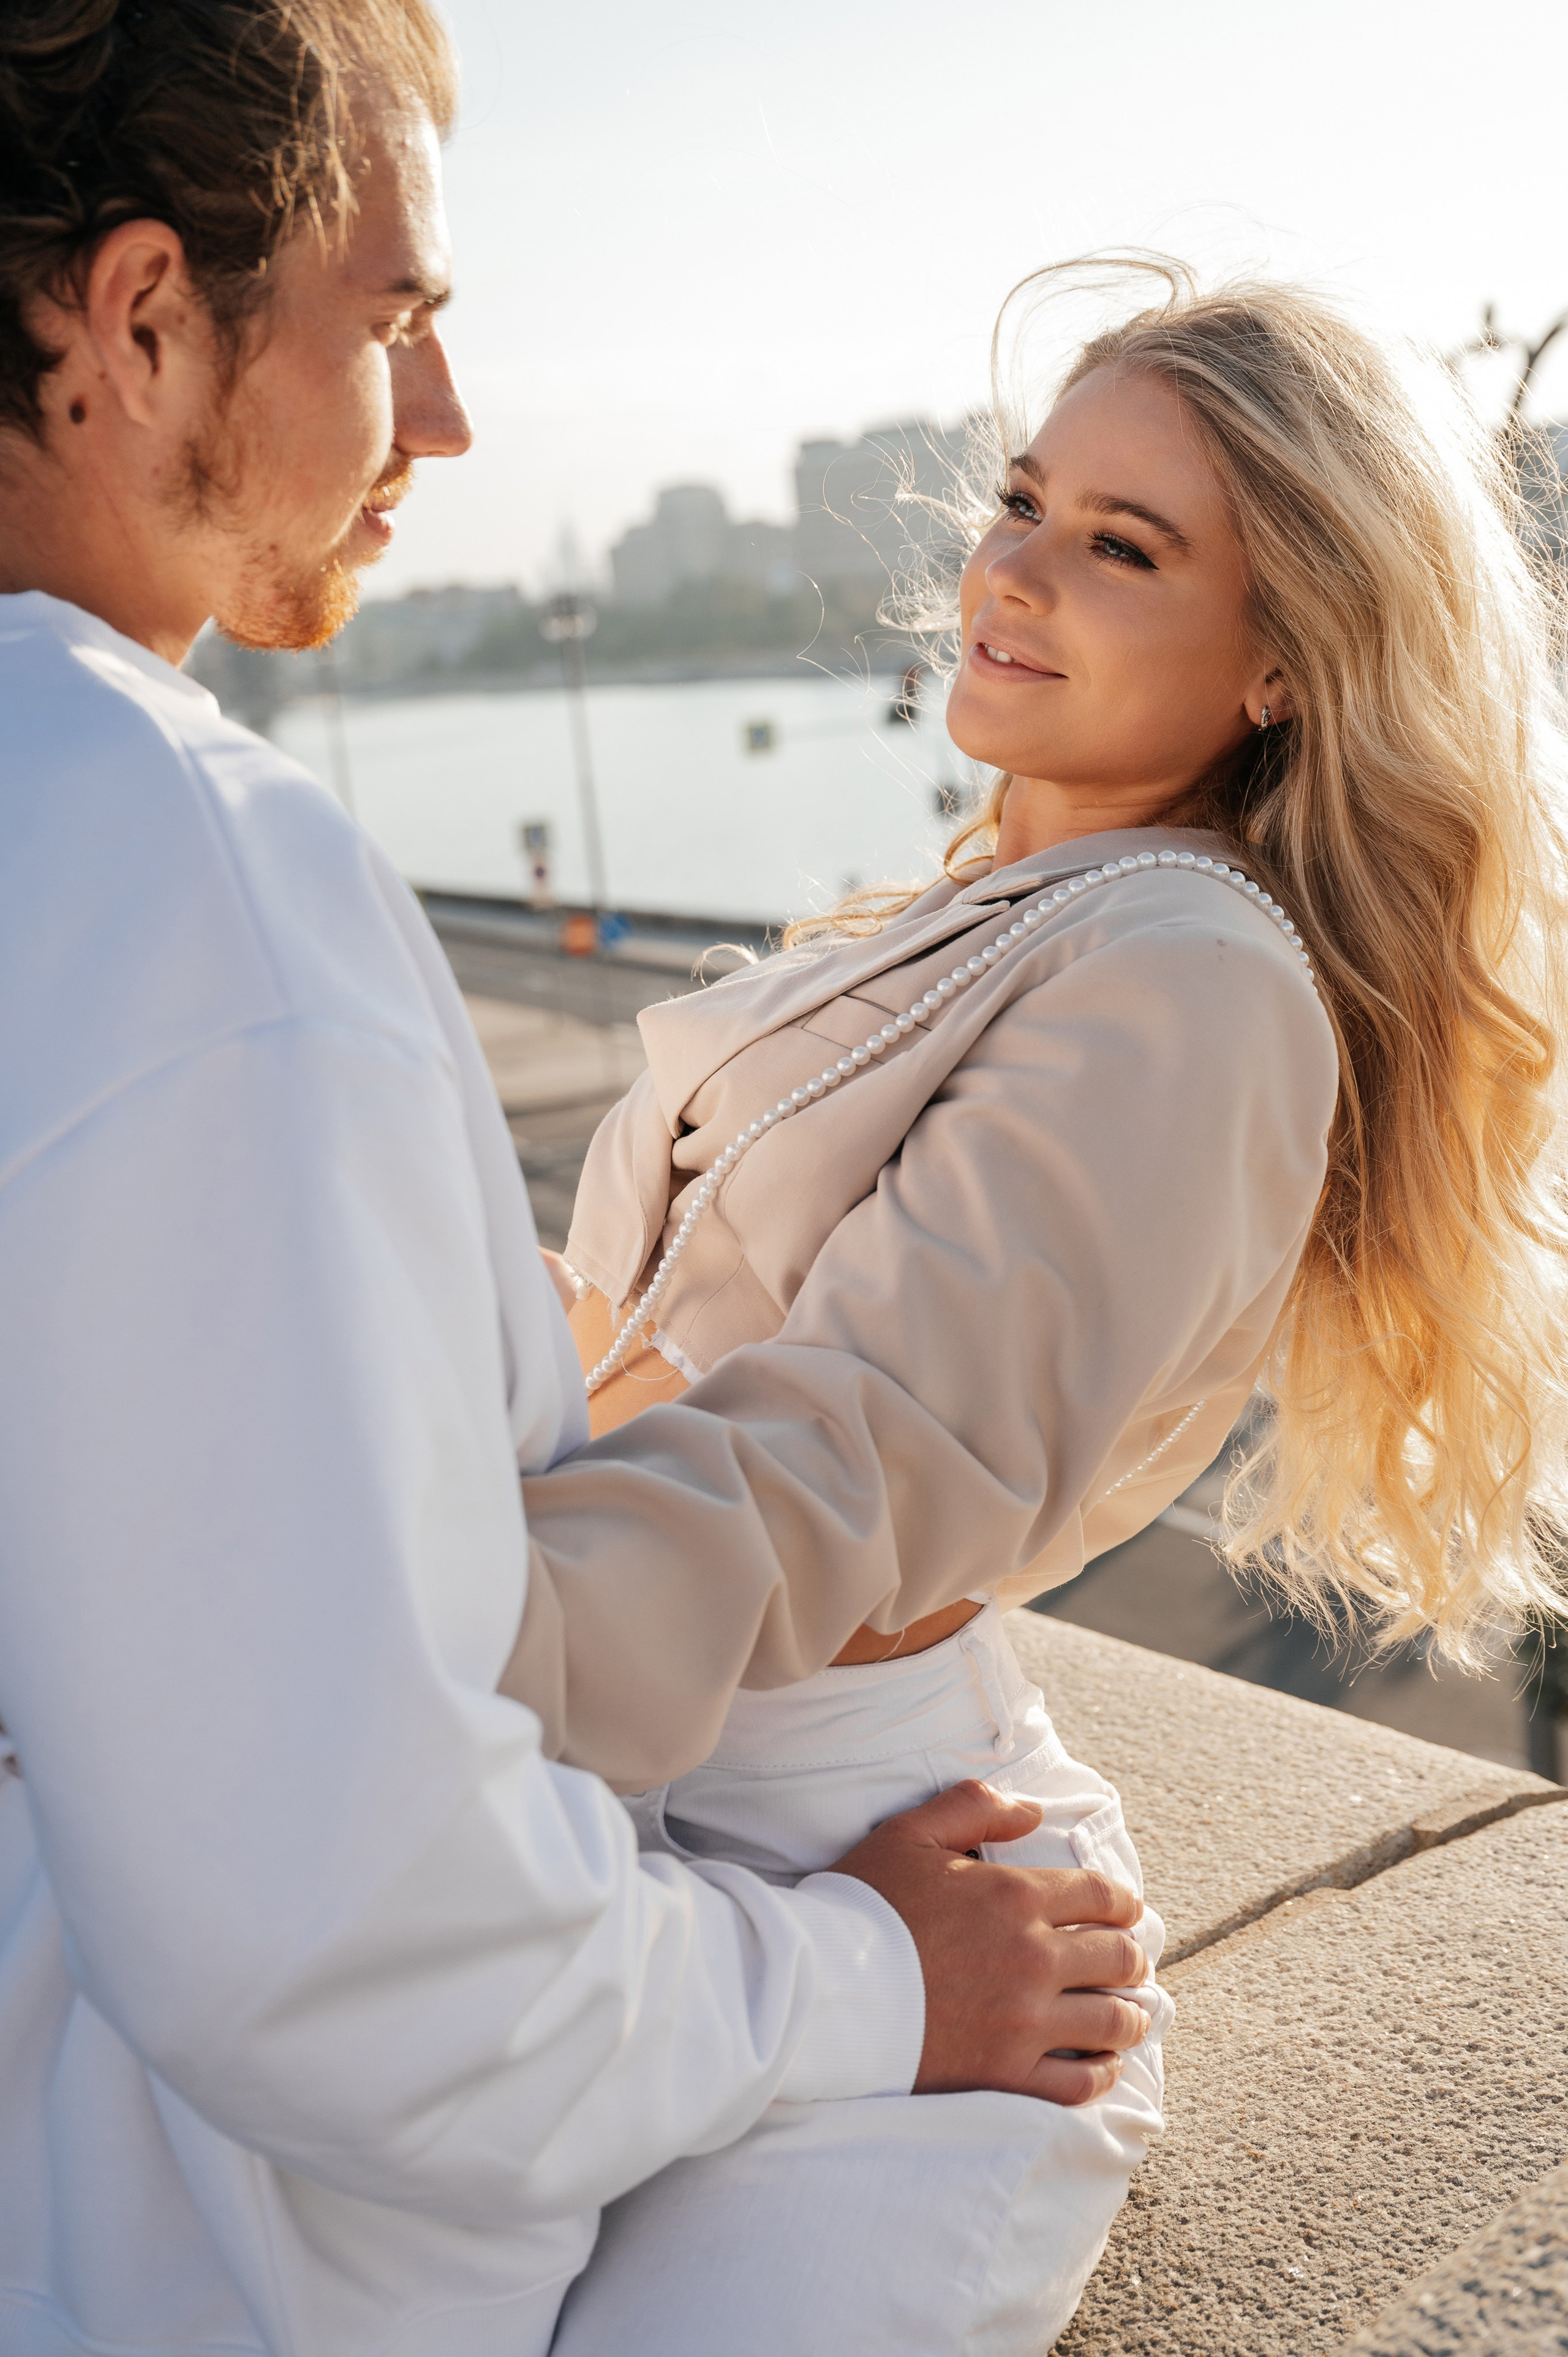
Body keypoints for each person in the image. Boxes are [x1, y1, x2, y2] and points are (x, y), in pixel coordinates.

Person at [0, 10, 1156, 2355]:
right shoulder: (178, 864)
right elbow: (343, 1940)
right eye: (396, 320)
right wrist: (858, 1984)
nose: (440, 421)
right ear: (139, 321)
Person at [505, 263, 1568, 2353]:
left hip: (873, 1889)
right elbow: (675, 1332)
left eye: (1123, 545)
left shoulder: (1193, 976)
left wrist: (398, 1686)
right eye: (1023, 499)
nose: (1013, 570)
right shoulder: (990, 913)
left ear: (1285, 662)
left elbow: (852, 1459)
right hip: (665, 1798)